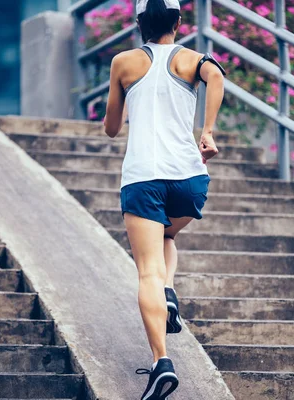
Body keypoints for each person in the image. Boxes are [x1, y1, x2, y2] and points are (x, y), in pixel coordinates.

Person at [103, 0, 226, 397]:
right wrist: (206, 131)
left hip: (143, 180)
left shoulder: (123, 62)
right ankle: (169, 293)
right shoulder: (191, 59)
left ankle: (161, 363)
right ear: (177, 21)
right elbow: (217, 75)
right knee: (167, 237)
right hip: (189, 179)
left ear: (139, 23)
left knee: (147, 272)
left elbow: (110, 128)